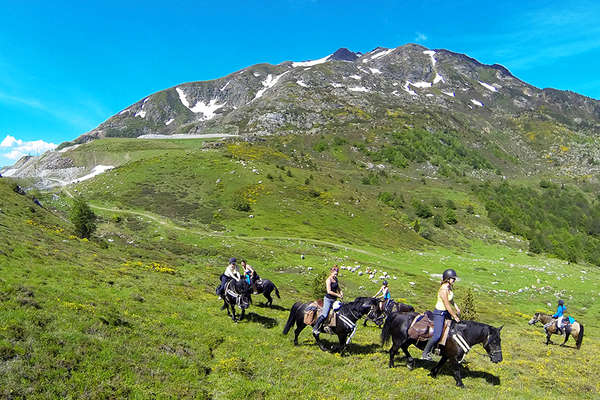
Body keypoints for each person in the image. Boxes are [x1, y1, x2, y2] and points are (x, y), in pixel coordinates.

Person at [422, 268, 461, 360]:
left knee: (451, 331)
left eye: (454, 279)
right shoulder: (443, 289)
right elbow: (447, 304)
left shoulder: (449, 287)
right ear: (447, 278)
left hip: (446, 312)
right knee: (437, 335)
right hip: (439, 313)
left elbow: (451, 300)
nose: (454, 280)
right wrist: (454, 316)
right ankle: (425, 353)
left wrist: (456, 307)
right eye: (453, 278)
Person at [313, 265, 343, 335]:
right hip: (328, 299)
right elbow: (329, 291)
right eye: (335, 273)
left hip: (334, 299)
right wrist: (338, 295)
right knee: (325, 314)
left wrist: (341, 292)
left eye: (337, 273)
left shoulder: (336, 279)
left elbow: (338, 287)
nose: (336, 274)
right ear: (331, 272)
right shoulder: (328, 280)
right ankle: (316, 327)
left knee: (340, 312)